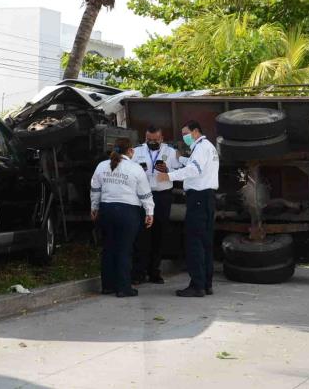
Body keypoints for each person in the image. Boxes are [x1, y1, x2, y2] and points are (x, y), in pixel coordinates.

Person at [157, 120, 219, 298]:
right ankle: (206, 284)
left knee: (194, 243)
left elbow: (194, 169)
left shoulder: (200, 148)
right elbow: (196, 164)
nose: (184, 137)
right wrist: (180, 158)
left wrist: (169, 175)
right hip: (207, 199)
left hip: (198, 199)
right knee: (205, 243)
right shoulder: (208, 147)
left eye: (186, 133)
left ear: (196, 132)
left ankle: (197, 285)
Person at [91, 137, 155, 298]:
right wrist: (149, 212)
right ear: (130, 151)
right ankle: (124, 288)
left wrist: (94, 207)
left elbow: (95, 189)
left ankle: (108, 286)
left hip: (106, 210)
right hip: (128, 212)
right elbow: (144, 193)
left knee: (108, 248)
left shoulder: (101, 166)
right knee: (125, 250)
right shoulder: (135, 168)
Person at [131, 125, 181, 285]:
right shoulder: (137, 151)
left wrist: (168, 170)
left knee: (159, 234)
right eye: (149, 140)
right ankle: (139, 272)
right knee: (141, 234)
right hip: (142, 196)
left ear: (162, 138)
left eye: (155, 140)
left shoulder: (171, 152)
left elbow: (180, 172)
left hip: (162, 196)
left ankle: (154, 271)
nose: (152, 142)